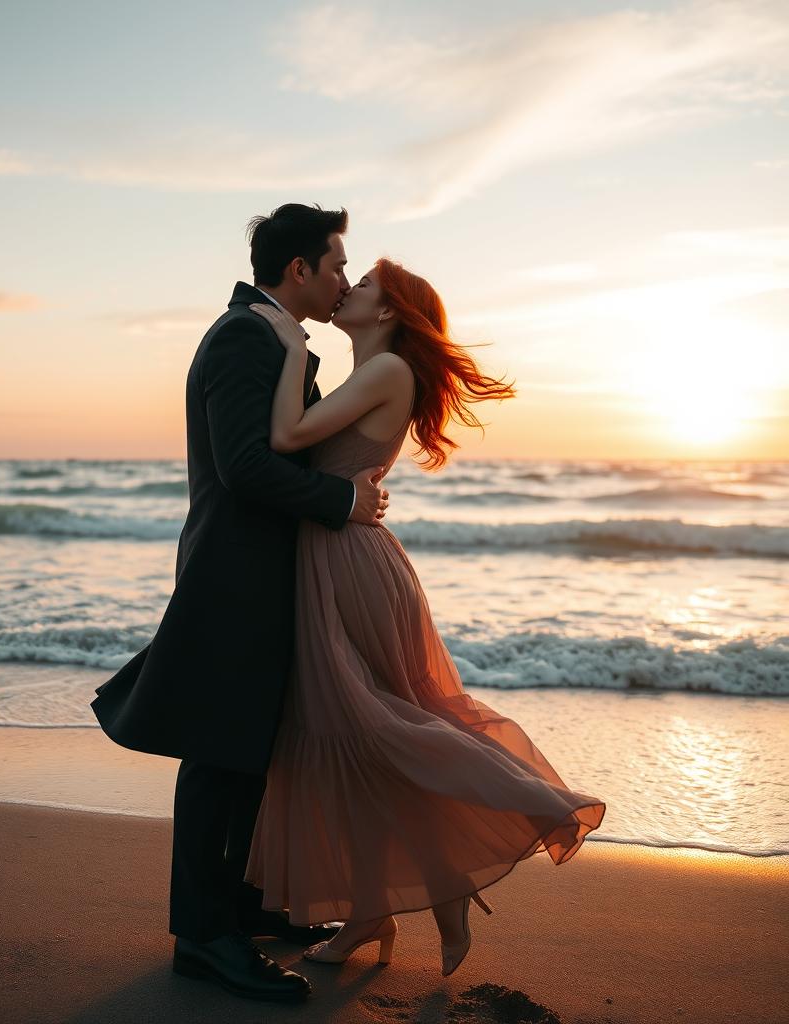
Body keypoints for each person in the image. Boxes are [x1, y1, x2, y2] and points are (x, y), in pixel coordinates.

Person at [244, 258, 607, 977]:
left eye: (366, 284)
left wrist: (290, 346)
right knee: (369, 736)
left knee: (373, 729)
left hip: (348, 564)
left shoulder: (382, 374)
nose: (348, 287)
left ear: (386, 314)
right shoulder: (369, 375)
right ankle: (383, 912)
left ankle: (509, 824)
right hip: (346, 558)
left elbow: (286, 440)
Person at [90, 204, 390, 1004]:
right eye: (334, 267)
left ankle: (246, 906)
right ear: (297, 270)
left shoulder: (281, 341)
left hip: (272, 575)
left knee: (255, 747)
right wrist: (342, 501)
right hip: (234, 575)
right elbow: (243, 468)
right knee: (221, 755)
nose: (341, 282)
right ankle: (202, 936)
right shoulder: (242, 338)